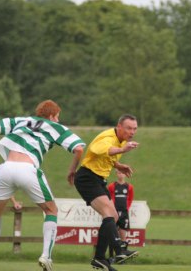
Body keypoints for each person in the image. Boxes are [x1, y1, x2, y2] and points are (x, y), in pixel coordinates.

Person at [0, 100, 85, 271]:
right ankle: (46, 257)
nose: (57, 120)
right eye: (57, 117)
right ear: (51, 116)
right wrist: (72, 170)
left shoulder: (20, 120)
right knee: (51, 211)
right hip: (27, 170)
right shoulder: (56, 127)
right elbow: (78, 149)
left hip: (4, 169)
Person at [72, 114, 139, 271]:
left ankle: (100, 259)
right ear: (119, 126)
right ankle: (119, 250)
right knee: (109, 214)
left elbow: (106, 157)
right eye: (129, 128)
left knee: (113, 216)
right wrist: (122, 149)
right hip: (87, 177)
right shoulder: (107, 137)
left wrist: (118, 165)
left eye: (135, 129)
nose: (132, 132)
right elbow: (102, 149)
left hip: (98, 179)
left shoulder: (120, 140)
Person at [107, 169, 134, 252]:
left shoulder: (129, 187)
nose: (121, 174)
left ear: (125, 174)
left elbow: (130, 199)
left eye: (122, 173)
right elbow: (109, 198)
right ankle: (112, 255)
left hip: (124, 213)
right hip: (114, 212)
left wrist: (127, 208)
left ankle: (123, 255)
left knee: (123, 234)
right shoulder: (112, 186)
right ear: (116, 174)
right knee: (113, 234)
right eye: (119, 173)